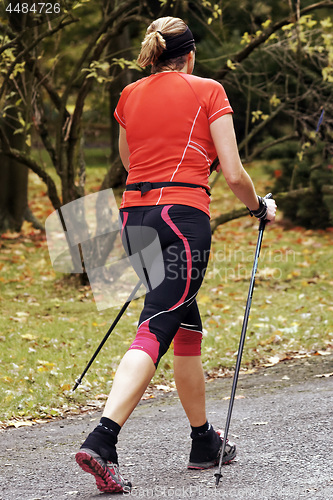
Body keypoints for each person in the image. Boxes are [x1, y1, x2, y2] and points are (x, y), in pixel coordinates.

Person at [75, 16, 277, 494]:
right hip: (181, 221)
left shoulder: (129, 94)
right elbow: (232, 172)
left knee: (186, 323)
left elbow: (129, 160)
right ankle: (102, 440)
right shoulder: (208, 90)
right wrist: (259, 207)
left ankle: (203, 441)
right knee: (159, 320)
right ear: (189, 55)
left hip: (135, 219)